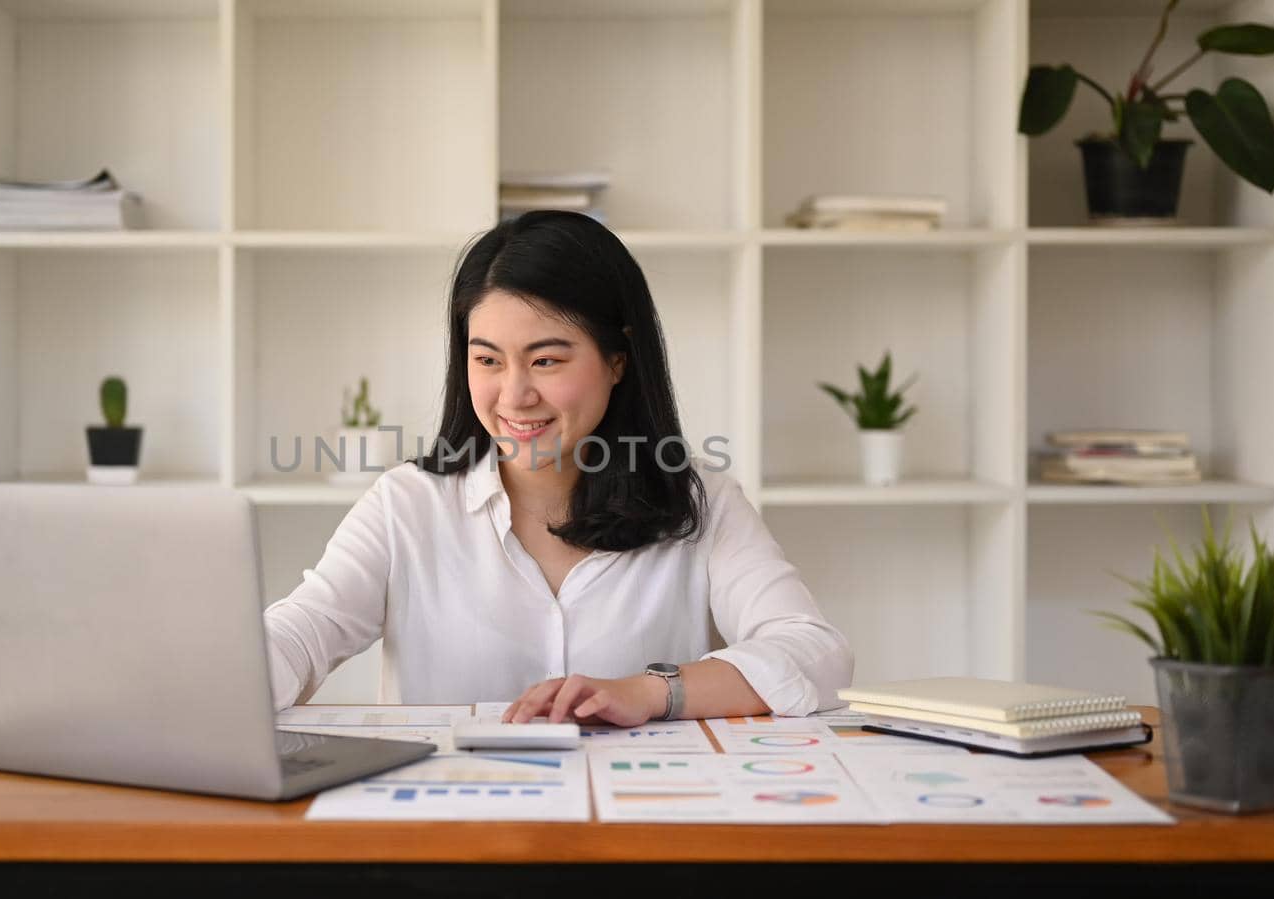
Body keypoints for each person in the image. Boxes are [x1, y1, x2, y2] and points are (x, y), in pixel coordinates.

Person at [263, 211, 853, 725]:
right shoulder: (407, 505)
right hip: (455, 832)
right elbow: (302, 633)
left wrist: (649, 692)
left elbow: (815, 653)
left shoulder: (701, 502)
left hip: (635, 826)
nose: (514, 395)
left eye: (545, 360)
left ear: (617, 359)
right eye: (488, 360)